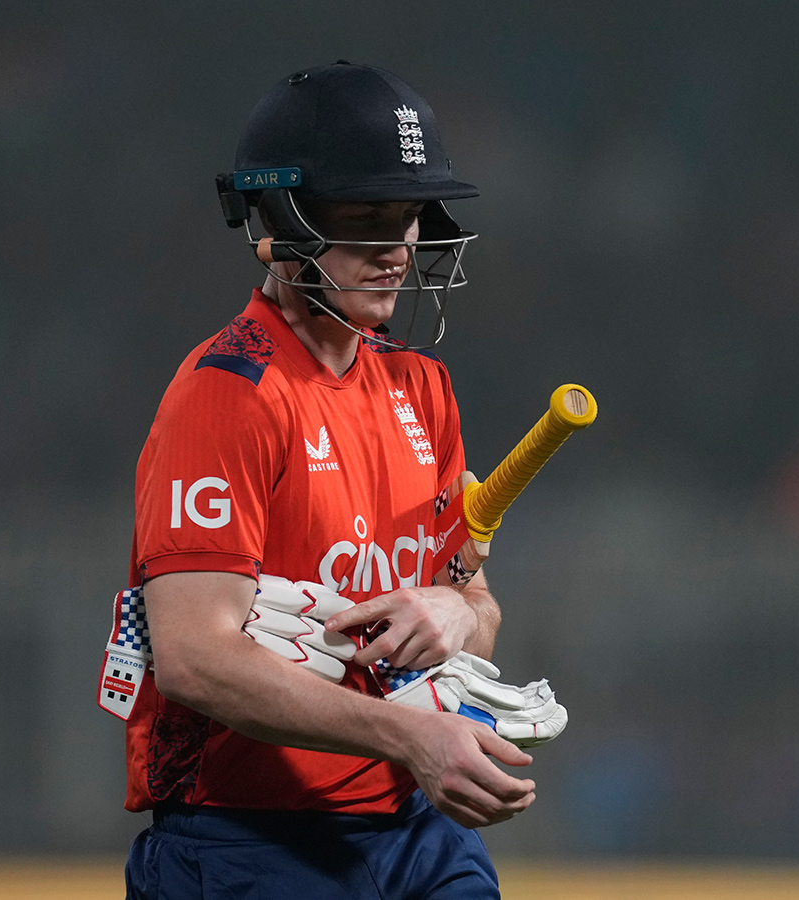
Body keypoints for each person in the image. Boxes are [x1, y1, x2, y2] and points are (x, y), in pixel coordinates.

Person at [121, 61, 537, 900]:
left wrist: (455, 611)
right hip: (247, 838)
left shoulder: (424, 387)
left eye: (409, 216)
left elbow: (477, 608)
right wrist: (409, 738)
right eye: (364, 218)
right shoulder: (227, 393)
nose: (396, 248)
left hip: (415, 833)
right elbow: (196, 660)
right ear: (277, 221)